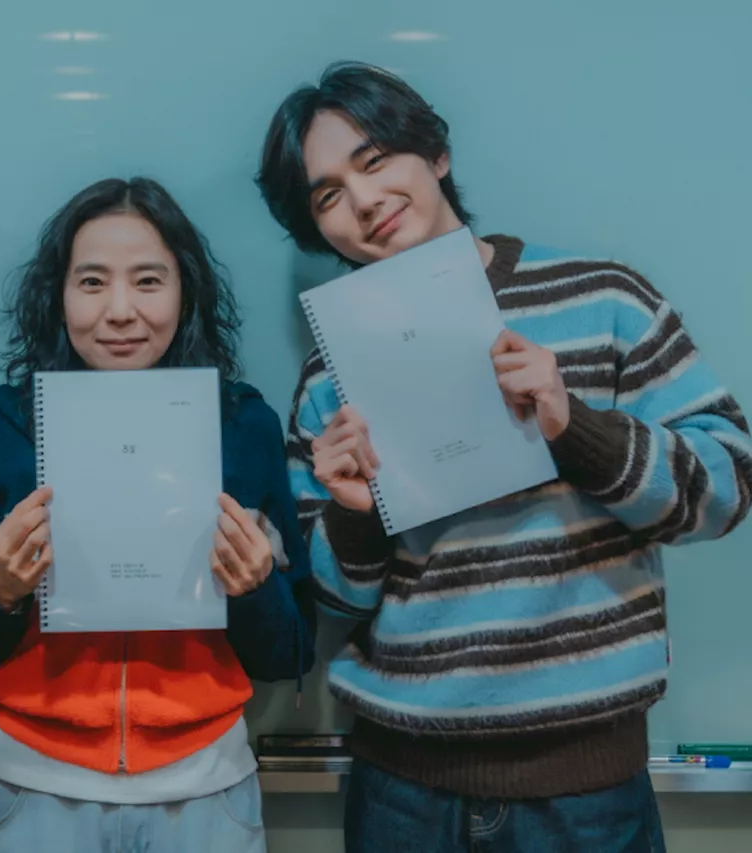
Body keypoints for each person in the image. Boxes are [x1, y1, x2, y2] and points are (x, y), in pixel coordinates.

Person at [255, 60, 752, 852]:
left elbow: (727, 487)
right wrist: (354, 518)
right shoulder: (331, 375)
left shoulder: (603, 297)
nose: (364, 201)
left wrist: (572, 426)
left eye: (375, 160)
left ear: (436, 154)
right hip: (402, 792)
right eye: (327, 195)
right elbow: (335, 604)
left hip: (588, 790)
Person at [0, 177, 316, 853]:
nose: (121, 310)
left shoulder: (243, 424)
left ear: (186, 291)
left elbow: (293, 652)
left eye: (149, 281)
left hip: (205, 789)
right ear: (59, 294)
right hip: (35, 791)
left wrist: (255, 587)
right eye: (93, 282)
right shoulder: (2, 425)